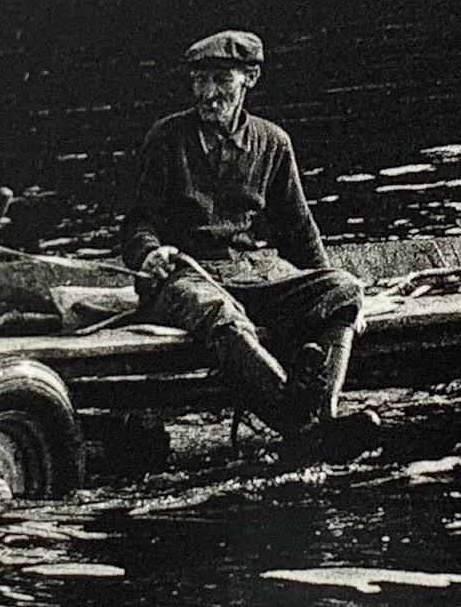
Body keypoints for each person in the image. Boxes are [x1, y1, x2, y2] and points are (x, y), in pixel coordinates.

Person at [117, 28, 362, 439]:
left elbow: (298, 232)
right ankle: (296, 422)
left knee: (345, 289)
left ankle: (324, 415)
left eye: (221, 80)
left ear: (249, 78)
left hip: (252, 275)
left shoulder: (273, 143)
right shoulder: (167, 139)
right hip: (185, 279)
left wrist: (333, 297)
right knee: (222, 314)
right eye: (199, 80)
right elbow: (138, 222)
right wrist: (150, 254)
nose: (207, 93)